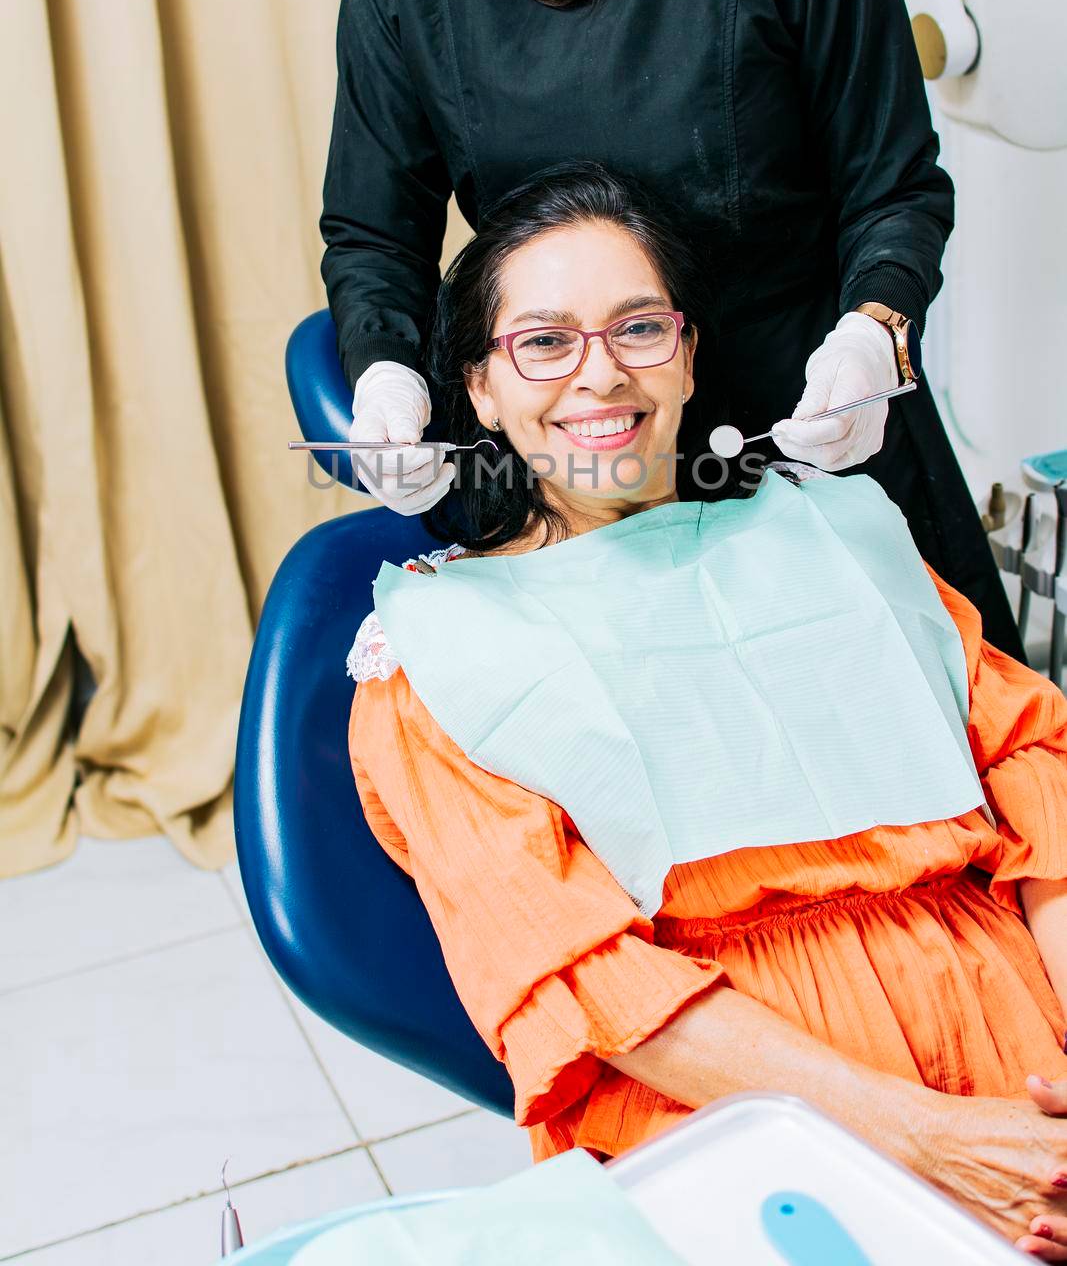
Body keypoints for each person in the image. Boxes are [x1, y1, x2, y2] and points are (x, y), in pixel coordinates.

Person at [346, 164, 1067, 1257]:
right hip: (737, 1112)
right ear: (477, 388)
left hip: (1026, 1050)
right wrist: (927, 1140)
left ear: (686, 353)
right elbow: (580, 972)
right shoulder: (439, 656)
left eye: (637, 327)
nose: (598, 375)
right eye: (542, 342)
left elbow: (1041, 788)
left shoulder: (839, 535)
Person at [318, 0, 1025, 662]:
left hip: (802, 426)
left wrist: (871, 340)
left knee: (942, 762)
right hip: (569, 469)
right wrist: (388, 377)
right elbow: (373, 231)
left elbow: (894, 187)